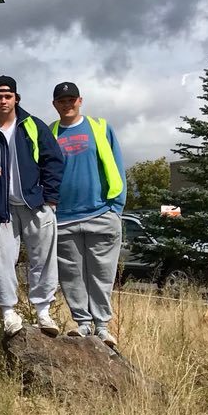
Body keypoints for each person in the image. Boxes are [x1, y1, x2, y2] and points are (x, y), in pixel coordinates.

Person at [0, 75, 66, 337]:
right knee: (0, 260)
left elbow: (53, 161)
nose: (3, 101)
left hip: (36, 204)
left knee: (43, 258)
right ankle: (8, 313)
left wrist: (50, 198)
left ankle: (43, 311)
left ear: (16, 99)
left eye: (8, 96)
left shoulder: (34, 126)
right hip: (0, 210)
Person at [50, 81, 126, 347]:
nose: (67, 104)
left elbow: (117, 165)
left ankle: (102, 326)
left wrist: (116, 208)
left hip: (101, 214)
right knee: (71, 276)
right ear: (55, 104)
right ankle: (82, 324)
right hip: (63, 219)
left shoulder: (101, 127)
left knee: (102, 274)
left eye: (71, 100)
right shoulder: (49, 133)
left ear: (80, 101)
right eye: (61, 101)